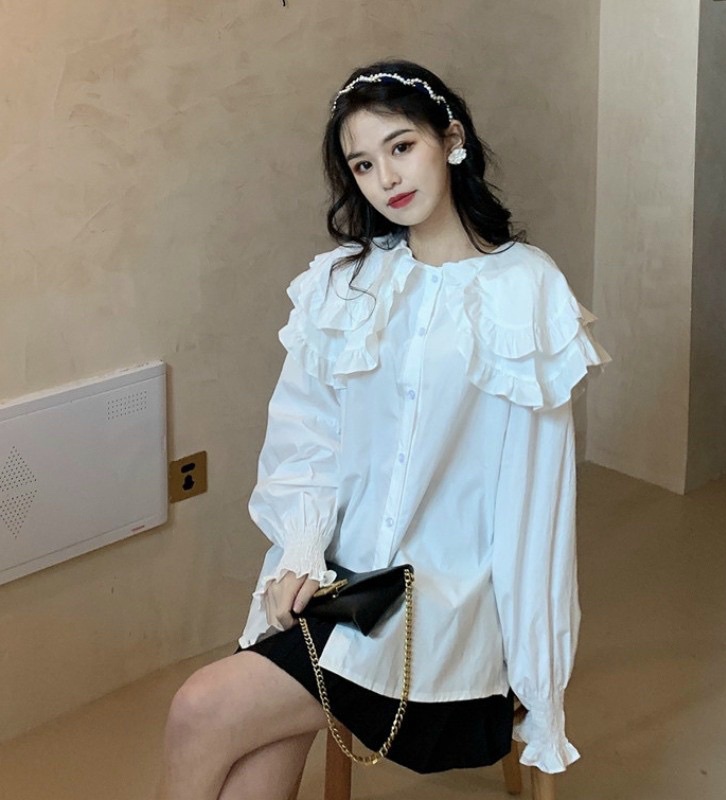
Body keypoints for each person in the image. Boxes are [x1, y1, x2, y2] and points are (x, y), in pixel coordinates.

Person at [156, 59, 611, 800]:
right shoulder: (345, 282)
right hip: (336, 587)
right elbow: (306, 437)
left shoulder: (526, 290)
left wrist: (536, 677)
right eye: (363, 164)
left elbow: (536, 511)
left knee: (202, 710)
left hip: (445, 624)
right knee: (246, 759)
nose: (386, 178)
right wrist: (300, 551)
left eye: (401, 147)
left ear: (451, 140)